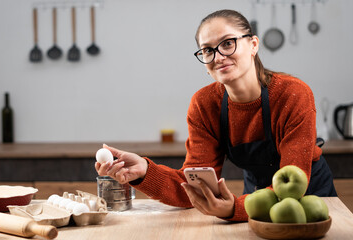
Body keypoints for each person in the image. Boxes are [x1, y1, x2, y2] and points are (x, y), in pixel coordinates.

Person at [95, 9, 337, 221]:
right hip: (255, 202)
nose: (218, 56)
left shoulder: (292, 94)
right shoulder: (204, 104)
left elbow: (293, 188)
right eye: (207, 50)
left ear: (253, 44)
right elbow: (193, 188)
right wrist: (144, 171)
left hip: (310, 200)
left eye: (228, 43)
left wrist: (235, 209)